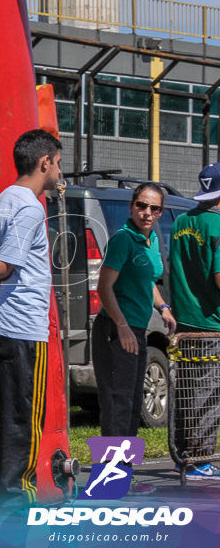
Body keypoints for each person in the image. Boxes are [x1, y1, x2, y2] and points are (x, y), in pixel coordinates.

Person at [0, 129, 61, 506]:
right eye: (58, 164)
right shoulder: (29, 206)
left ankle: (1, 506)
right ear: (44, 162)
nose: (59, 172)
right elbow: (3, 266)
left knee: (5, 423)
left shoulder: (2, 201)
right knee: (23, 425)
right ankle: (17, 510)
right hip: (23, 330)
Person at [94, 181, 176, 492]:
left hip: (137, 329)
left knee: (131, 406)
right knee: (117, 404)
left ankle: (122, 477)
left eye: (154, 208)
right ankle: (110, 481)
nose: (147, 213)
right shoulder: (123, 240)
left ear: (160, 212)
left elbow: (149, 281)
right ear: (132, 206)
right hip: (116, 331)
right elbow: (105, 288)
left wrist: (164, 307)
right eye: (142, 205)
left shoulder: (151, 239)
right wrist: (123, 326)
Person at [168, 162, 220, 478]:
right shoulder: (217, 226)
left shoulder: (181, 222)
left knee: (186, 392)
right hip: (210, 322)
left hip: (183, 319)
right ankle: (199, 459)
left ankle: (183, 454)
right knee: (209, 393)